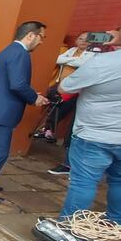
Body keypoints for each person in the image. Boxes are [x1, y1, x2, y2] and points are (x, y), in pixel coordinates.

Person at [0, 21, 50, 204]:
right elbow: (18, 84)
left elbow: (10, 83)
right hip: (0, 113)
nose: (42, 42)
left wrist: (30, 95)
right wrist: (33, 98)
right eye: (41, 37)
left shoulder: (9, 50)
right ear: (31, 35)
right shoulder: (20, 54)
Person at [59, 27, 121, 222]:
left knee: (83, 183)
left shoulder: (103, 62)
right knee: (119, 182)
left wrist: (100, 53)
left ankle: (69, 228)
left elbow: (64, 86)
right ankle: (115, 225)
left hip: (93, 135)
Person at [46, 31, 96, 175]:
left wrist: (68, 60)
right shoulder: (71, 51)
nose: (83, 42)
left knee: (75, 130)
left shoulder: (95, 54)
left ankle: (70, 165)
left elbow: (84, 63)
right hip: (65, 89)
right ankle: (49, 133)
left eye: (87, 40)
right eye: (81, 38)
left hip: (80, 94)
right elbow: (58, 59)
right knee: (56, 114)